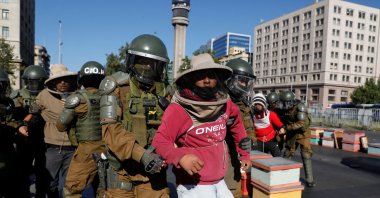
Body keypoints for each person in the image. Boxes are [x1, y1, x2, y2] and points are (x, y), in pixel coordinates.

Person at [152, 53, 251, 198]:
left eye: (211, 75)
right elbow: (159, 142)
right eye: (201, 76)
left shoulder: (225, 103)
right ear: (190, 79)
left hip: (220, 181)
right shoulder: (179, 109)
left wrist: (245, 154)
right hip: (192, 185)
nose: (207, 80)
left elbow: (237, 123)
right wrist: (180, 157)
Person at [98, 34, 171, 197]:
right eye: (141, 62)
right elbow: (111, 131)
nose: (146, 68)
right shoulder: (115, 86)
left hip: (153, 172)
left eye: (151, 64)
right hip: (121, 171)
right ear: (132, 62)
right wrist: (143, 155)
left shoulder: (166, 91)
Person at [55, 61, 106, 197]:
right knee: (103, 189)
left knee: (71, 190)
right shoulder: (110, 97)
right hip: (108, 148)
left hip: (86, 151)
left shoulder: (77, 99)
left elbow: (60, 126)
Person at [36, 64, 78, 197]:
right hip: (52, 148)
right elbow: (33, 113)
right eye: (59, 80)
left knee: (69, 184)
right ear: (53, 82)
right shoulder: (43, 95)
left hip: (72, 148)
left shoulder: (77, 96)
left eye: (65, 79)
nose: (63, 82)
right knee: (50, 183)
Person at [11, 65, 48, 197]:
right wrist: (20, 125)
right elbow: (12, 117)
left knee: (42, 171)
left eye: (37, 82)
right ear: (27, 81)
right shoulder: (18, 96)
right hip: (24, 139)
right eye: (31, 82)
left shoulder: (47, 95)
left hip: (43, 139)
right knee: (23, 170)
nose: (34, 85)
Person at [224, 58, 256, 197]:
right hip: (220, 153)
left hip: (236, 155)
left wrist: (248, 143)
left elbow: (249, 128)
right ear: (230, 79)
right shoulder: (219, 100)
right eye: (241, 80)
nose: (244, 85)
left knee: (234, 190)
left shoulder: (243, 104)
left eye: (246, 82)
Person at [280, 90, 315, 187]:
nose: (285, 104)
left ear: (291, 101)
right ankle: (283, 177)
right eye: (284, 102)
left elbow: (301, 123)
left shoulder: (300, 107)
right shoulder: (285, 108)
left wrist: (286, 129)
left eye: (287, 102)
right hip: (292, 133)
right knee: (287, 153)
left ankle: (310, 180)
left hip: (303, 133)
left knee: (306, 155)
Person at [0, 67, 17, 197]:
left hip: (8, 147)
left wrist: (18, 125)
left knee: (9, 181)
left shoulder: (9, 102)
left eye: (2, 83)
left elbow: (12, 119)